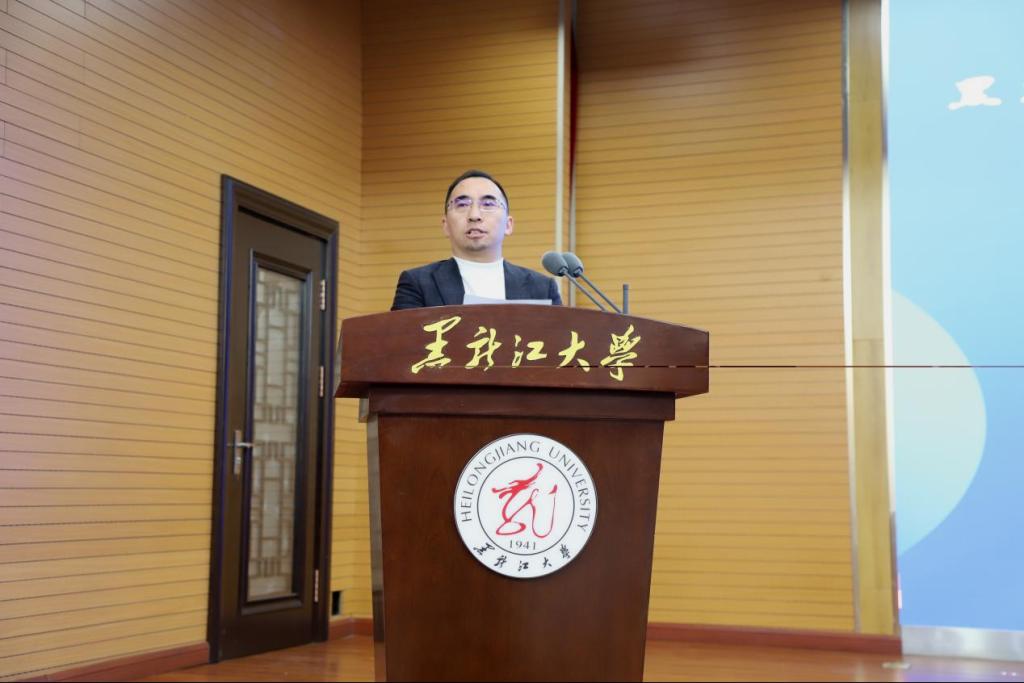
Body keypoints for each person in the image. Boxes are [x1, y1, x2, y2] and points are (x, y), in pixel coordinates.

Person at [390, 170, 563, 310]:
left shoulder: (542, 288)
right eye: (462, 205)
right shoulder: (418, 283)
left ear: (508, 225)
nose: (474, 215)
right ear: (446, 225)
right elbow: (402, 341)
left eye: (488, 204)